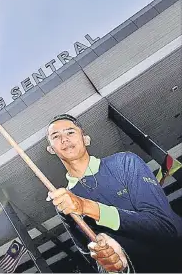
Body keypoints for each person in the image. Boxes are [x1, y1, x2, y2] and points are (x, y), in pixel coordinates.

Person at [46, 113, 182, 273]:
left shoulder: (124, 162)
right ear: (51, 149)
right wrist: (113, 265)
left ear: (86, 139)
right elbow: (92, 257)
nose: (64, 139)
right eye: (56, 136)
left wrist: (88, 207)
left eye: (70, 132)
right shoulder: (64, 202)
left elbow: (166, 227)